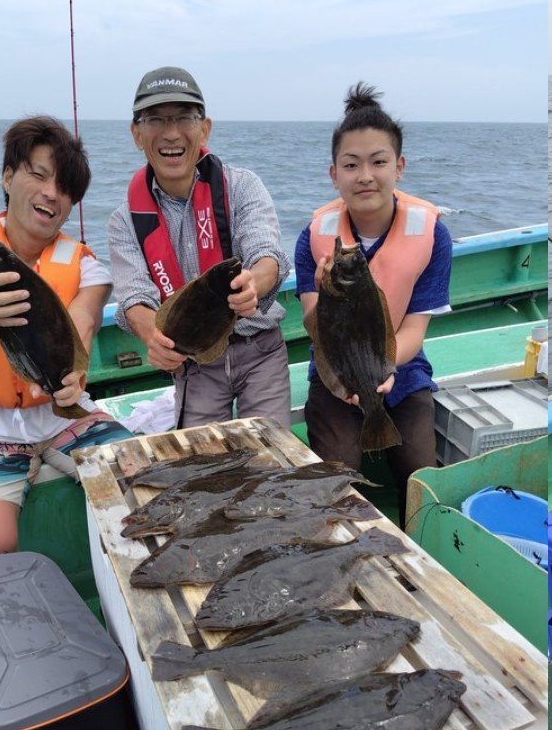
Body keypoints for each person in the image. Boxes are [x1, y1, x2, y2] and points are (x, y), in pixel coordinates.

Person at [0, 116, 132, 559]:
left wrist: (73, 376)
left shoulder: (87, 265)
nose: (50, 193)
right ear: (7, 176)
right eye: (37, 175)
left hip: (66, 416)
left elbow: (84, 316)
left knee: (140, 479)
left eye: (64, 187)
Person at [294, 83, 452, 515]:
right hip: (334, 373)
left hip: (402, 369)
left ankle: (416, 544)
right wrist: (328, 298)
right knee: (337, 474)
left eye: (378, 162)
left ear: (399, 167)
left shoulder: (433, 234)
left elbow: (416, 328)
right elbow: (314, 325)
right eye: (351, 164)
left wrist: (385, 369)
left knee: (420, 471)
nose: (365, 175)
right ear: (334, 174)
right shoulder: (313, 239)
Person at [106, 66, 291, 431]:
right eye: (155, 119)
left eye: (184, 118)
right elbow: (134, 297)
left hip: (260, 350)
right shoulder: (123, 221)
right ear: (136, 134)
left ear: (204, 128)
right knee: (204, 460)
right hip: (194, 363)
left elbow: (266, 252)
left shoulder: (242, 187)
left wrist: (255, 282)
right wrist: (152, 336)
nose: (171, 133)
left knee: (273, 453)